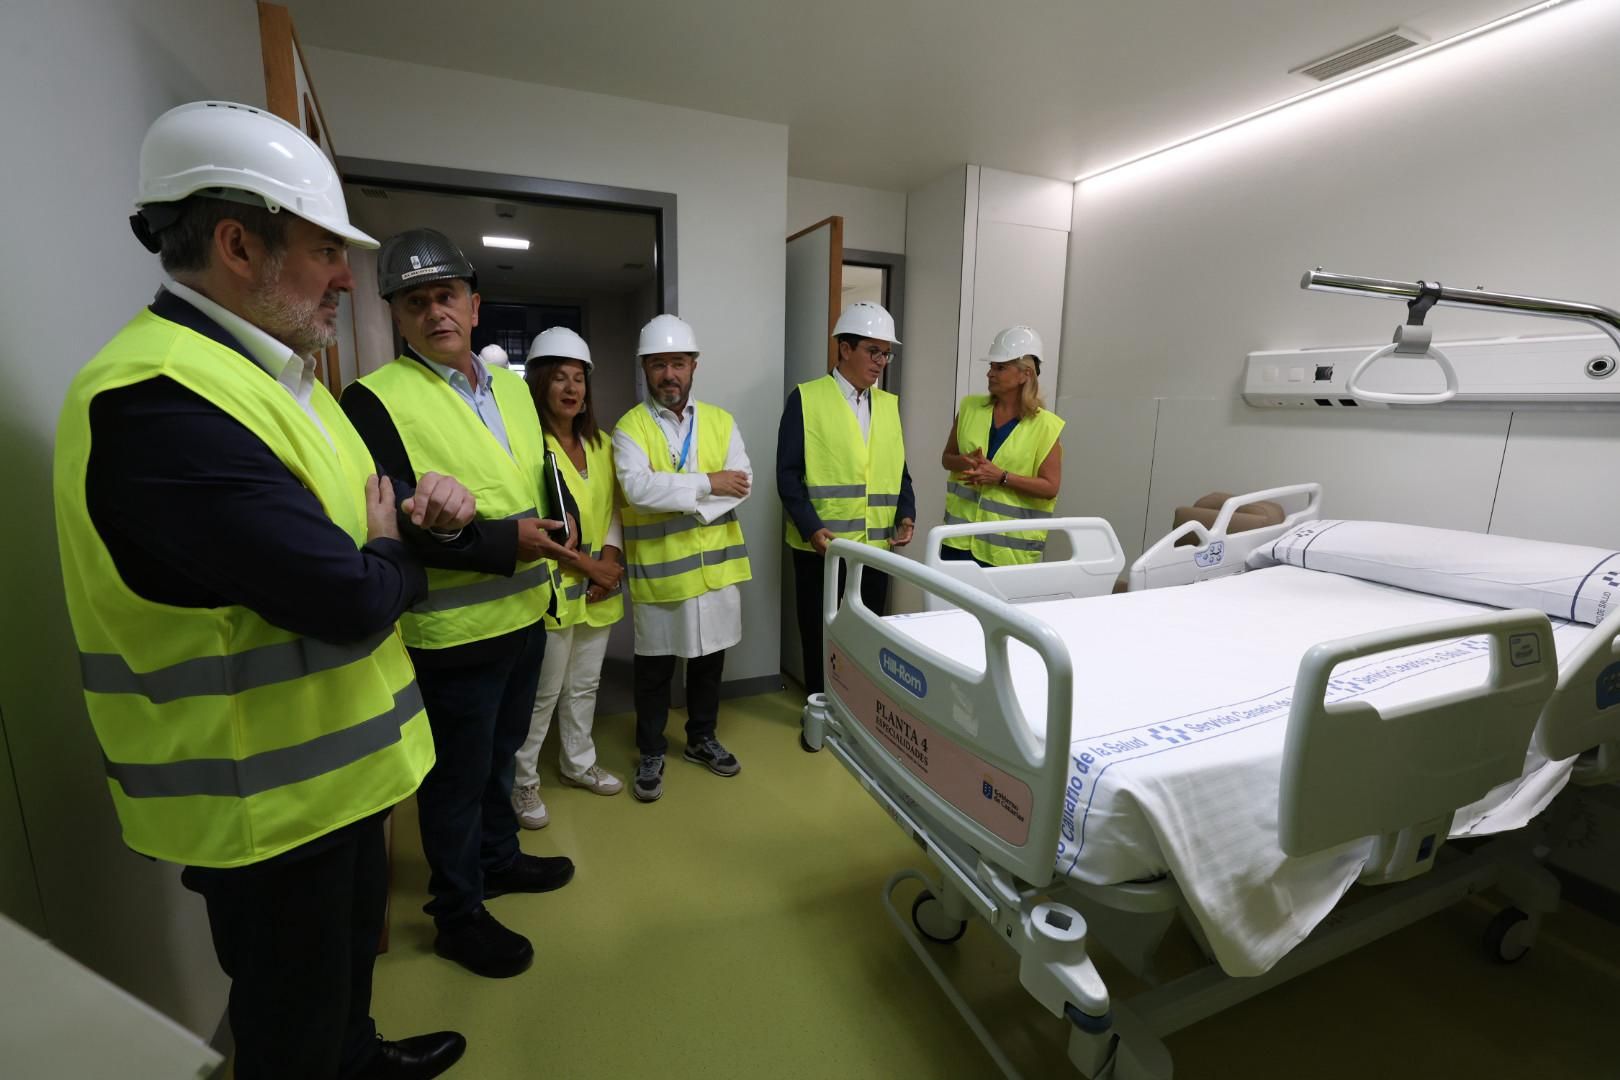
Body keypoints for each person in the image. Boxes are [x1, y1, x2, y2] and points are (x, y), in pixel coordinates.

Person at [54, 100, 467, 1079]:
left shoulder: (287, 379)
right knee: (291, 1029)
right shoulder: (158, 405)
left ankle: (361, 1056)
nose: (343, 276)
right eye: (327, 249)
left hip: (342, 778)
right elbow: (354, 598)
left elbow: (356, 517)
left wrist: (409, 515)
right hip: (267, 805)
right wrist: (392, 552)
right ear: (239, 244)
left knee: (341, 997)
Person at [341, 228, 579, 980]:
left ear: (474, 306)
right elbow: (401, 521)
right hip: (452, 632)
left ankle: (499, 860)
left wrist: (557, 521)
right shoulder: (374, 400)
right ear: (397, 318)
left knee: (504, 757)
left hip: (523, 614)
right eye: (416, 302)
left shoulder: (510, 386)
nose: (434, 312)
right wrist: (513, 542)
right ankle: (457, 913)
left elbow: (531, 473)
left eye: (446, 296)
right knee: (454, 782)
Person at [612, 315, 752, 803]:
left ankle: (700, 739)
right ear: (645, 370)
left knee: (710, 662)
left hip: (714, 571)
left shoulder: (721, 421)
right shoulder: (629, 428)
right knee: (654, 668)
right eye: (657, 365)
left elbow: (743, 481)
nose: (668, 374)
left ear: (693, 365)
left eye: (677, 363)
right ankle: (651, 750)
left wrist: (681, 492)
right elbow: (636, 488)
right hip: (662, 571)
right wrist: (707, 485)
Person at [510, 327, 627, 829]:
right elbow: (539, 530)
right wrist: (593, 567)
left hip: (597, 590)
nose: (571, 388)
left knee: (584, 686)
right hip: (553, 591)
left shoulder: (599, 444)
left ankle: (577, 763)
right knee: (543, 692)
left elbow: (614, 510)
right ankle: (523, 782)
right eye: (558, 377)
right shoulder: (527, 448)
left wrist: (612, 564)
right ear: (539, 383)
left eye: (578, 379)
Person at [777, 301, 914, 710]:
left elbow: (899, 470)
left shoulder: (887, 404)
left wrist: (906, 512)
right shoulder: (807, 399)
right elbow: (787, 474)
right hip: (824, 547)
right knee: (820, 633)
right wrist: (810, 526)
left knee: (867, 633)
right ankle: (820, 710)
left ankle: (859, 712)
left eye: (886, 353)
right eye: (873, 351)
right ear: (843, 350)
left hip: (876, 550)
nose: (881, 362)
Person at [940, 325, 1065, 567]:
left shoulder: (1047, 426)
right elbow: (947, 458)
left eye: (1000, 368)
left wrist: (1001, 477)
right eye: (991, 367)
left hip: (1007, 552)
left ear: (1024, 375)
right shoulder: (969, 408)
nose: (990, 374)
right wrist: (964, 461)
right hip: (957, 542)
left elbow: (1051, 487)